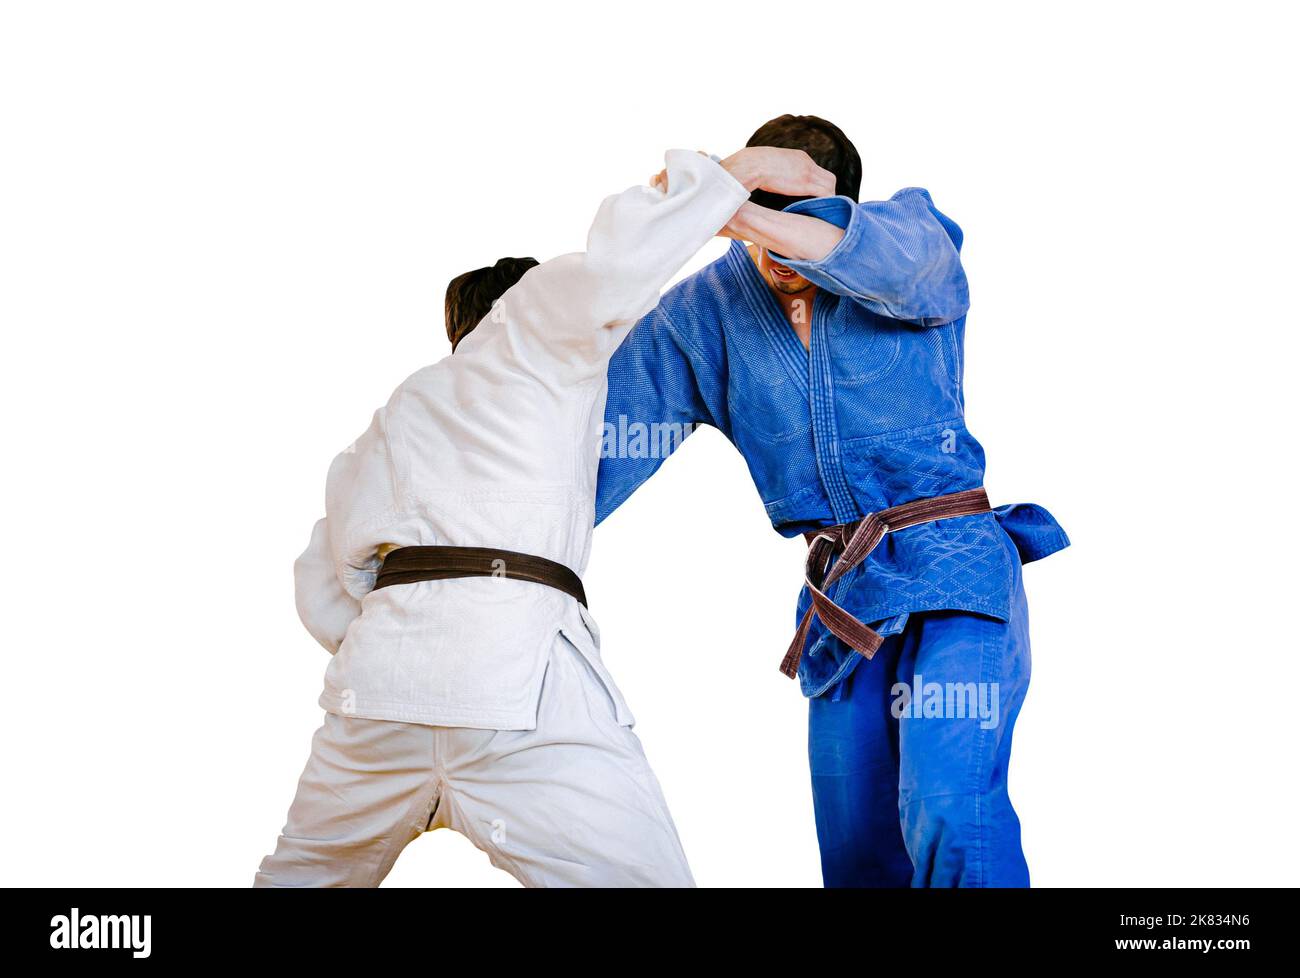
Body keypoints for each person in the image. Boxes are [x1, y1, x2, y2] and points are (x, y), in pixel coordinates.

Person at [255, 145, 833, 887]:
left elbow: (321, 585)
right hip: (514, 676)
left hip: (378, 692)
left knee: (302, 877)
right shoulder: (535, 332)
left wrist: (406, 642)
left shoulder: (391, 420)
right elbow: (613, 271)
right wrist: (738, 173)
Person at [596, 115, 1070, 887]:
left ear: (845, 209)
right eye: (763, 211)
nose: (780, 251)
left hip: (956, 573)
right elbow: (592, 452)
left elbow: (859, 250)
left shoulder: (911, 239)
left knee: (949, 804)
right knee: (858, 855)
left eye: (803, 216)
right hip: (845, 604)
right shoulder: (702, 313)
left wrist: (723, 203)